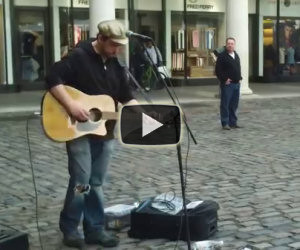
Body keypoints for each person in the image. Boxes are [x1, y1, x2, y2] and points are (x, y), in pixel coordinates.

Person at [45, 20, 138, 248]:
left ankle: (94, 229)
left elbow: (126, 96)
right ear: (102, 38)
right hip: (77, 130)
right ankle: (70, 228)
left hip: (104, 131)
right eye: (114, 45)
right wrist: (71, 106)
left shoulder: (116, 65)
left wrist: (146, 114)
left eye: (120, 46)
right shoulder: (79, 56)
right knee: (81, 181)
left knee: (96, 182)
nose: (117, 50)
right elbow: (52, 79)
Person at [215, 37, 242, 130]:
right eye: (229, 43)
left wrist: (239, 78)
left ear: (234, 45)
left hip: (236, 84)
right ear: (226, 45)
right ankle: (225, 123)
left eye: (232, 43)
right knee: (225, 104)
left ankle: (233, 122)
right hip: (227, 85)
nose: (230, 45)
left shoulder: (236, 55)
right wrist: (224, 79)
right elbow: (218, 70)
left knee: (234, 104)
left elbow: (238, 68)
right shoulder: (222, 56)